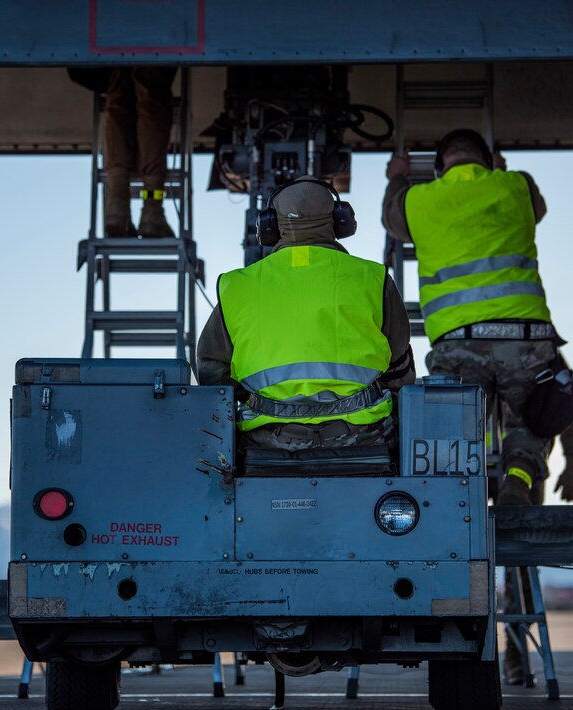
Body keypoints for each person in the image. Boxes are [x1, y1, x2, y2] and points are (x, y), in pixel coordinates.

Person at [382, 128, 559, 505]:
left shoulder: (417, 199)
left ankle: (454, 505)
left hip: (459, 338)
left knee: (453, 431)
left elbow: (391, 219)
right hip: (525, 334)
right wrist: (501, 173)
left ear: (439, 167)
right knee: (533, 417)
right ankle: (518, 479)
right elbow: (537, 209)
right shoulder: (517, 186)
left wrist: (397, 175)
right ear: (488, 159)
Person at [197, 176, 415, 451]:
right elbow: (400, 370)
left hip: (268, 443)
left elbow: (212, 372)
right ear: (340, 221)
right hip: (363, 439)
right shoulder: (374, 278)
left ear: (270, 226)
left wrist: (257, 401)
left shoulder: (236, 286)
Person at [68, 67, 177, 238]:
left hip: (109, 43)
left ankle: (117, 205)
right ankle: (152, 208)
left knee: (119, 94)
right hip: (152, 42)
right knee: (151, 92)